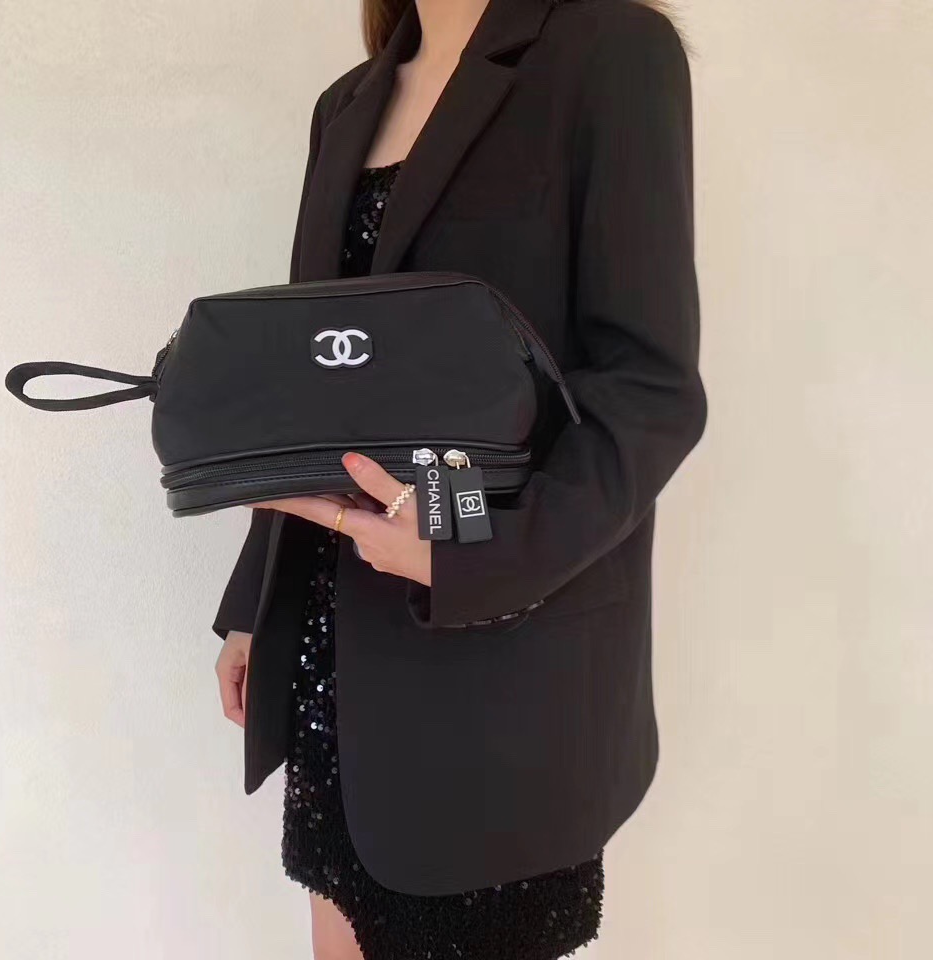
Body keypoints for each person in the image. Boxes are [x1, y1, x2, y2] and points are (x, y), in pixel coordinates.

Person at [213, 1, 706, 958]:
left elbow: (647, 391)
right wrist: (256, 603)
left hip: (502, 675)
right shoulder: (346, 104)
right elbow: (317, 386)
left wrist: (469, 548)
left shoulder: (611, 53)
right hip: (333, 659)